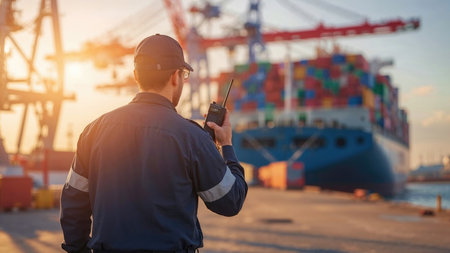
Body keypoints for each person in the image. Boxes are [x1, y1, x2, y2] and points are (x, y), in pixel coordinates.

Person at [60, 34, 248, 253]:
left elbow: (73, 203)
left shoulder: (92, 132)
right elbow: (230, 202)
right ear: (175, 77)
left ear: (136, 75)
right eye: (184, 74)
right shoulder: (193, 137)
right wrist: (226, 146)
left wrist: (79, 249)